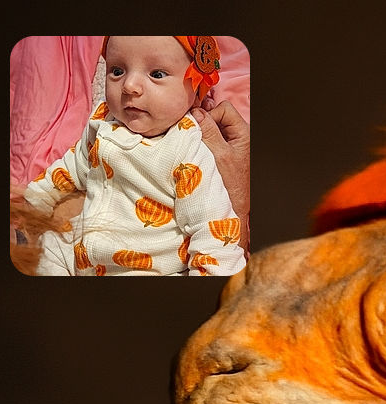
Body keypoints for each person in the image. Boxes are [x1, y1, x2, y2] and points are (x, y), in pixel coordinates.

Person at [19, 36, 247, 276]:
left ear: (196, 90)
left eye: (157, 74)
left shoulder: (187, 148)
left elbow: (212, 228)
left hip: (146, 267)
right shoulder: (103, 121)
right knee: (49, 247)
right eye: (117, 71)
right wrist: (36, 199)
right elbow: (74, 164)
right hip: (82, 249)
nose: (129, 86)